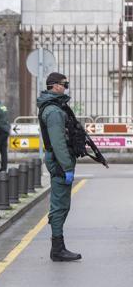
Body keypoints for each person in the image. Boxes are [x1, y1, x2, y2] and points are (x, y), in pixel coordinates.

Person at [37, 72, 82, 261]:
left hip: (59, 161)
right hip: (59, 162)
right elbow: (58, 143)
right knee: (60, 205)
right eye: (65, 84)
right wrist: (67, 167)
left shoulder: (55, 107)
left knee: (62, 204)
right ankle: (57, 248)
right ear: (55, 86)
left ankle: (58, 247)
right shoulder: (54, 111)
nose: (66, 87)